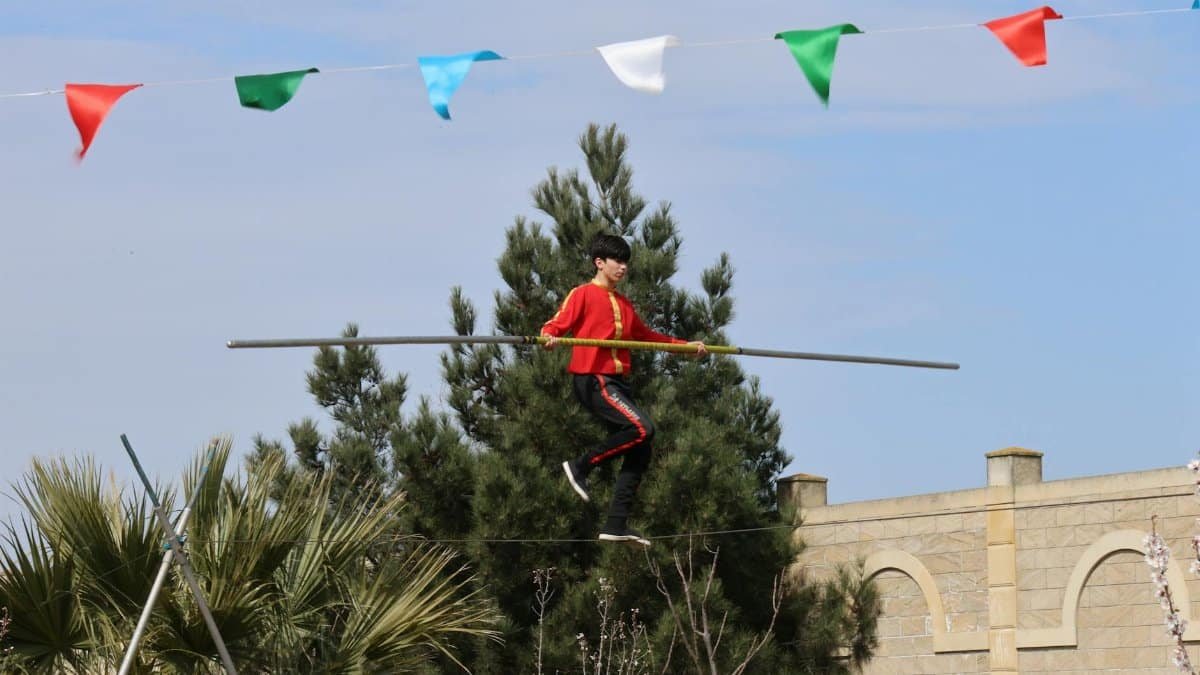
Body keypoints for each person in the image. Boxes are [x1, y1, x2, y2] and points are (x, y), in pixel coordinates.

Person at [541, 233, 706, 547]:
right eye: (617, 260)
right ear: (599, 262)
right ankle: (579, 466)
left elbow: (647, 336)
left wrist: (686, 347)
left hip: (617, 383)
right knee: (643, 428)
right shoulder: (583, 294)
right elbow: (556, 324)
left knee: (641, 447)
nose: (623, 267)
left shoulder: (624, 304)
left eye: (626, 261)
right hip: (594, 378)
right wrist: (548, 336)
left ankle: (616, 524)